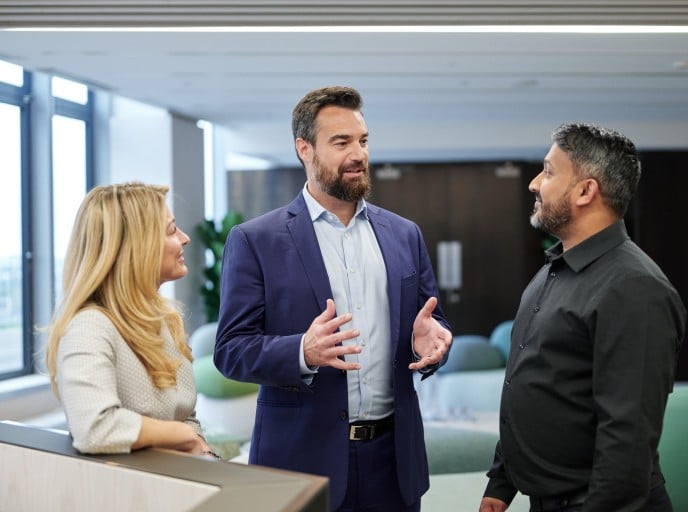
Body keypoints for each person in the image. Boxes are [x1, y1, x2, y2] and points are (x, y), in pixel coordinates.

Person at [214, 85, 453, 511]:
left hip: (394, 464)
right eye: (341, 143)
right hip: (301, 462)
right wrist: (302, 351)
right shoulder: (256, 240)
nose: (358, 154)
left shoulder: (404, 235)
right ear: (304, 149)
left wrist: (430, 345)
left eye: (363, 141)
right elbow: (231, 350)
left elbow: (432, 323)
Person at [480, 124, 686, 512]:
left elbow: (627, 438)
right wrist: (501, 481)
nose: (534, 184)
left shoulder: (635, 287)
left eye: (548, 171)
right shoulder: (555, 269)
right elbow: (538, 382)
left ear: (585, 191)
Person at [46, 182, 218, 459]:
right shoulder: (89, 327)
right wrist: (183, 436)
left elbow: (185, 415)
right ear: (137, 247)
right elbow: (94, 427)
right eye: (171, 230)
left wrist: (206, 455)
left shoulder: (166, 320)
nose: (185, 238)